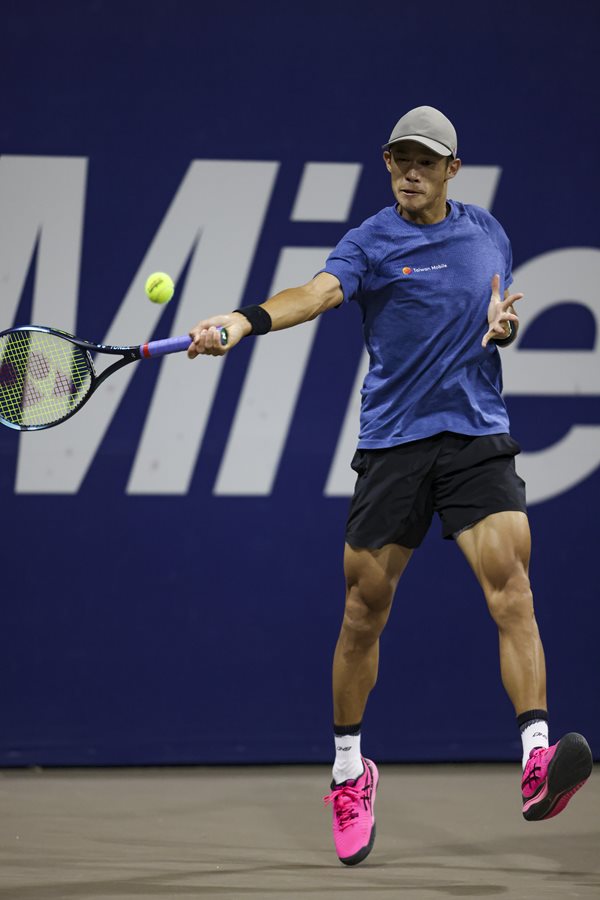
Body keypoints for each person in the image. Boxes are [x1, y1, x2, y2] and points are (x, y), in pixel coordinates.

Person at [187, 106, 593, 866]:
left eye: (425, 161)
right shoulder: (369, 242)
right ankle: (349, 770)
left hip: (475, 437)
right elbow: (316, 294)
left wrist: (503, 330)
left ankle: (537, 757)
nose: (410, 171)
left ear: (452, 171)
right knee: (362, 612)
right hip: (394, 447)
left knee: (512, 588)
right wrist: (244, 322)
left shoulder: (488, 234)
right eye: (400, 158)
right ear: (387, 163)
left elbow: (496, 315)